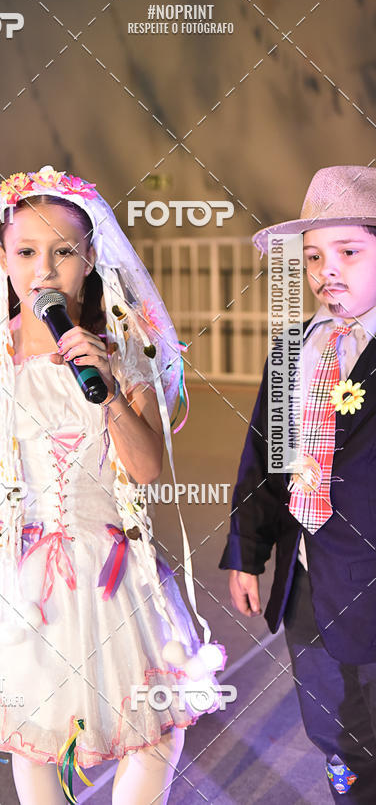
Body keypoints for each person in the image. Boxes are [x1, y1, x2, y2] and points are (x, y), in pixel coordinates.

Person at [0, 166, 223, 804]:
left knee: (153, 729)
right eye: (27, 252)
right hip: (17, 562)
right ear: (1, 259)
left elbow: (143, 469)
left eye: (64, 253)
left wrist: (109, 387)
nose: (45, 270)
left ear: (90, 260)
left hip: (109, 564)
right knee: (32, 724)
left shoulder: (121, 351)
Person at [220, 165, 376, 802]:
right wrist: (247, 554)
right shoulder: (295, 351)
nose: (326, 270)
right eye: (313, 256)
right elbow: (263, 461)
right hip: (309, 574)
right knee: (332, 724)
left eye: (348, 252)